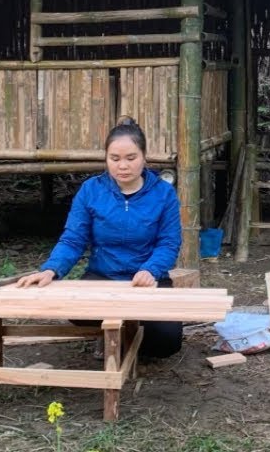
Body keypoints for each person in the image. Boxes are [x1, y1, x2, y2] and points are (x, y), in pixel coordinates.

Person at [14, 116, 184, 358]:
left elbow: (168, 243)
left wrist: (151, 270)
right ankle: (116, 330)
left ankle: (118, 331)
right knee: (74, 310)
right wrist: (51, 269)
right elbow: (73, 239)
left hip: (146, 279)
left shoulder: (163, 193)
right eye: (114, 159)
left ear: (144, 157)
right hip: (102, 276)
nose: (122, 166)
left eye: (131, 158)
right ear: (106, 159)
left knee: (166, 342)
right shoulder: (91, 190)